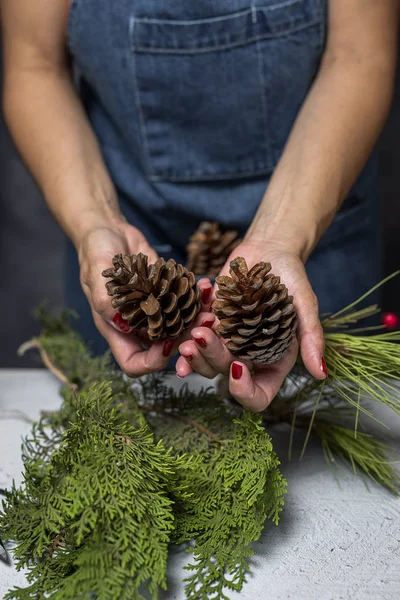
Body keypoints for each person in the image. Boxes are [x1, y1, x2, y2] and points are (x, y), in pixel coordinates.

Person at [1, 1, 398, 412]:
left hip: (311, 227)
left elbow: (359, 54)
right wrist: (95, 222)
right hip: (130, 248)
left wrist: (281, 236)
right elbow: (35, 65)